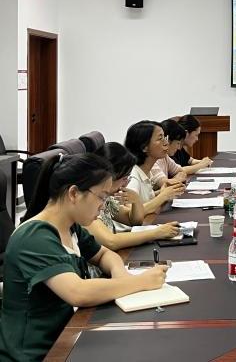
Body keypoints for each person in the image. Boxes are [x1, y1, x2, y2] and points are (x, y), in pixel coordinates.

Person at [0, 153, 167, 361]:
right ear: (73, 193)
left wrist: (120, 274)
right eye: (102, 197)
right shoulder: (34, 237)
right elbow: (78, 292)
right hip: (37, 353)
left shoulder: (71, 227)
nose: (103, 206)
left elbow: (105, 254)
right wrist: (141, 282)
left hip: (66, 335)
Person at [85, 142, 180, 276]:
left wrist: (136, 200)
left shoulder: (106, 199)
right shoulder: (88, 203)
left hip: (112, 264)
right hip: (98, 275)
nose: (126, 183)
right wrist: (156, 233)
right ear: (110, 176)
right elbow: (111, 241)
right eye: (124, 179)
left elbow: (133, 220)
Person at [124, 120, 185, 215]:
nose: (166, 143)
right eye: (160, 139)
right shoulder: (132, 177)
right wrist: (163, 196)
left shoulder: (146, 171)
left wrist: (163, 192)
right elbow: (130, 212)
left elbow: (145, 199)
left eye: (165, 138)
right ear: (144, 147)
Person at [152, 119, 210, 188]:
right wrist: (177, 179)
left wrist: (178, 176)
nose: (179, 148)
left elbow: (181, 171)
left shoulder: (164, 157)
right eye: (160, 139)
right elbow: (166, 184)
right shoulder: (153, 160)